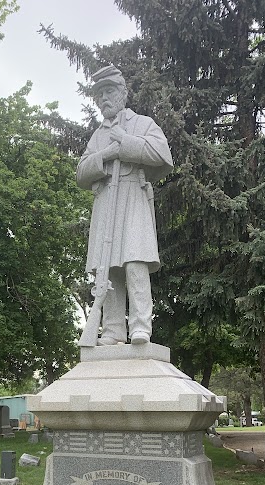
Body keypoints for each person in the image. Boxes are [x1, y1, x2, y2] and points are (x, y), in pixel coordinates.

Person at [77, 65, 173, 346]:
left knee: (134, 262)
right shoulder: (98, 136)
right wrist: (106, 155)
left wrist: (126, 143)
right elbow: (81, 173)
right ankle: (112, 330)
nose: (104, 99)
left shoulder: (142, 124)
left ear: (122, 93)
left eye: (109, 91)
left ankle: (141, 326)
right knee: (107, 270)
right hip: (106, 201)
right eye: (100, 95)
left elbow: (162, 155)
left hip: (132, 196)